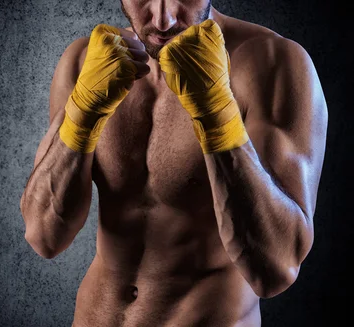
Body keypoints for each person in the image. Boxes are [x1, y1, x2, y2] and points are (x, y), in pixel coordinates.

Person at [20, 1, 327, 326]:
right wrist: (82, 114)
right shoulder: (85, 61)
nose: (163, 18)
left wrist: (218, 117)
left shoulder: (274, 65)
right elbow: (44, 237)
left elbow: (275, 270)